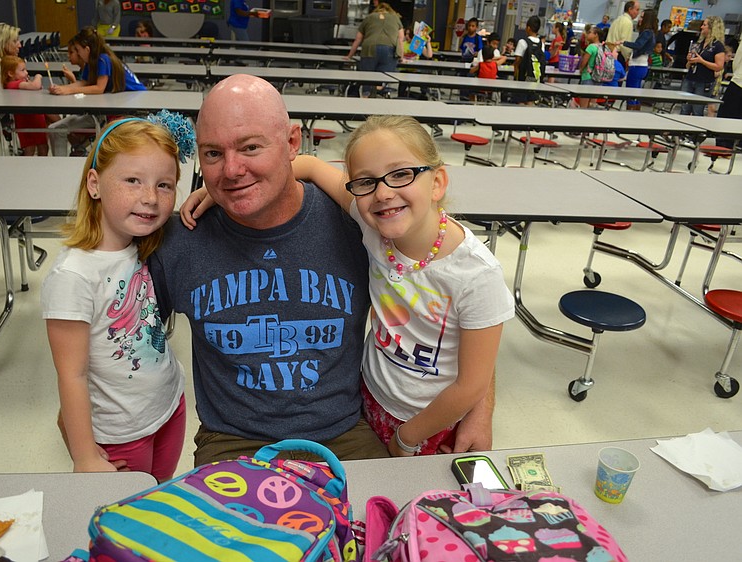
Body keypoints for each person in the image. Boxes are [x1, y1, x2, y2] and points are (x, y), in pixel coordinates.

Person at [153, 74, 405, 466]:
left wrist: (477, 407)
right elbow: (111, 327)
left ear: (292, 143)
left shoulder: (358, 225)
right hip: (232, 440)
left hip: (345, 433)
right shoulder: (180, 239)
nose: (232, 170)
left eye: (250, 147)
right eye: (213, 154)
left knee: (388, 524)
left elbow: (451, 288)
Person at [289, 117, 513, 456]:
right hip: (369, 398)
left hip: (430, 423)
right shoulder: (372, 227)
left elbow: (471, 385)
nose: (382, 193)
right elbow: (307, 164)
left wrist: (408, 437)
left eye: (401, 174)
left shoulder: (476, 275)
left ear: (437, 182)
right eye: (365, 181)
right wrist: (216, 192)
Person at [42, 111, 195, 483]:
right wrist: (84, 455)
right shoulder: (73, 275)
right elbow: (72, 375)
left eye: (165, 185)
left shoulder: (143, 244)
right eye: (132, 180)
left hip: (168, 407)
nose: (150, 198)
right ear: (94, 184)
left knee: (156, 494)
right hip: (120, 431)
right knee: (126, 515)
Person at [48, 27, 146, 156]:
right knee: (55, 129)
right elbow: (84, 82)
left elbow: (99, 88)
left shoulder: (103, 59)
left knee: (59, 129)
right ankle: (61, 163)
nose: (77, 53)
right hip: (111, 107)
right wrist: (62, 89)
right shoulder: (91, 62)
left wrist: (69, 90)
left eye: (78, 50)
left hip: (132, 108)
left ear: (87, 49)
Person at [345, 2, 403, 97]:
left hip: (369, 48)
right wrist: (401, 57)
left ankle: (366, 95)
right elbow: (401, 39)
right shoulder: (395, 18)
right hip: (389, 49)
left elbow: (358, 39)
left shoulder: (369, 17)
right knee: (384, 76)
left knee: (367, 78)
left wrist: (349, 56)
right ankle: (379, 87)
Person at [0, 56, 55, 157]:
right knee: (30, 148)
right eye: (22, 70)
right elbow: (35, 86)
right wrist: (38, 77)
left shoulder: (19, 83)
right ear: (11, 73)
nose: (26, 73)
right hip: (27, 120)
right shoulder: (13, 84)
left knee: (42, 146)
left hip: (35, 117)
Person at [680, 16, 725, 116]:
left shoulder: (717, 46)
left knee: (697, 110)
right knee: (684, 108)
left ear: (712, 28)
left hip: (704, 81)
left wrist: (702, 61)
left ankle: (694, 131)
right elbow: (689, 65)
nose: (701, 27)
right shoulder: (699, 43)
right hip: (690, 78)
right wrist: (690, 60)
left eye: (704, 25)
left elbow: (719, 66)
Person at [622, 8, 658, 110]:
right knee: (636, 94)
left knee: (631, 94)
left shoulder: (646, 32)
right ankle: (635, 117)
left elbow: (638, 45)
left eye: (642, 17)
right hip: (642, 66)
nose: (639, 19)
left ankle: (629, 116)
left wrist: (623, 42)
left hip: (637, 66)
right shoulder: (651, 33)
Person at [513, 15, 545, 103]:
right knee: (531, 102)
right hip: (536, 78)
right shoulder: (541, 44)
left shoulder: (522, 42)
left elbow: (517, 61)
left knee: (521, 101)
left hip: (523, 78)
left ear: (528, 28)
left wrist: (515, 77)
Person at [716, 38, 741, 148]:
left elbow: (738, 60)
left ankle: (724, 143)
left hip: (739, 82)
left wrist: (737, 73)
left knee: (727, 113)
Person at [608, 0, 640, 66]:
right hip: (618, 55)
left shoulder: (617, 19)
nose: (638, 13)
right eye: (637, 10)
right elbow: (625, 44)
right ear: (630, 9)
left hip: (609, 52)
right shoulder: (628, 22)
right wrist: (627, 58)